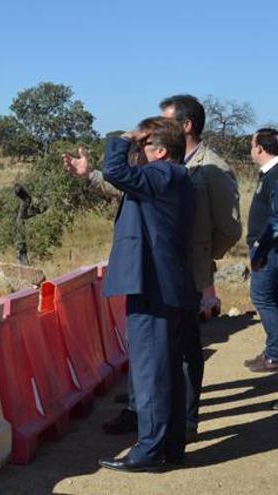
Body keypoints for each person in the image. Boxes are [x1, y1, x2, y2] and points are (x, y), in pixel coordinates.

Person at [65, 95, 242, 439]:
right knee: (148, 346)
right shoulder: (161, 165)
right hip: (157, 270)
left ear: (186, 126)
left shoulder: (213, 168)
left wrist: (200, 257)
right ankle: (141, 411)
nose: (152, 131)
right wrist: (90, 175)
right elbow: (129, 190)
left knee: (185, 349)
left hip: (185, 271)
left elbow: (230, 228)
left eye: (165, 121)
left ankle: (184, 420)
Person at [70, 117, 196, 472]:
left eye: (142, 147)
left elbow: (117, 170)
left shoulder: (162, 174)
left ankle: (148, 451)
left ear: (158, 150)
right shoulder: (173, 177)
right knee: (166, 368)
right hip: (166, 285)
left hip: (153, 287)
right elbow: (118, 180)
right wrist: (92, 173)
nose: (136, 153)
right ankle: (169, 447)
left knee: (149, 371)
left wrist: (123, 139)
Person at [245, 128, 278, 372]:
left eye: (252, 144)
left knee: (263, 297)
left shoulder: (275, 175)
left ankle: (275, 354)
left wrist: (259, 249)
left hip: (270, 252)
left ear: (260, 148)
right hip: (268, 249)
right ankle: (272, 350)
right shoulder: (268, 174)